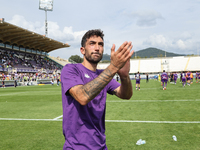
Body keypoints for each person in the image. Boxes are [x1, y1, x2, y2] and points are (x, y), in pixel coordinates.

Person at [61, 29, 134, 150]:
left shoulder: (104, 75)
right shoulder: (70, 70)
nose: (97, 48)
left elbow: (125, 95)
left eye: (100, 44)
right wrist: (114, 67)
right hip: (76, 147)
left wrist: (124, 77)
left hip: (101, 146)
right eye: (92, 43)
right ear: (82, 50)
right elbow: (82, 96)